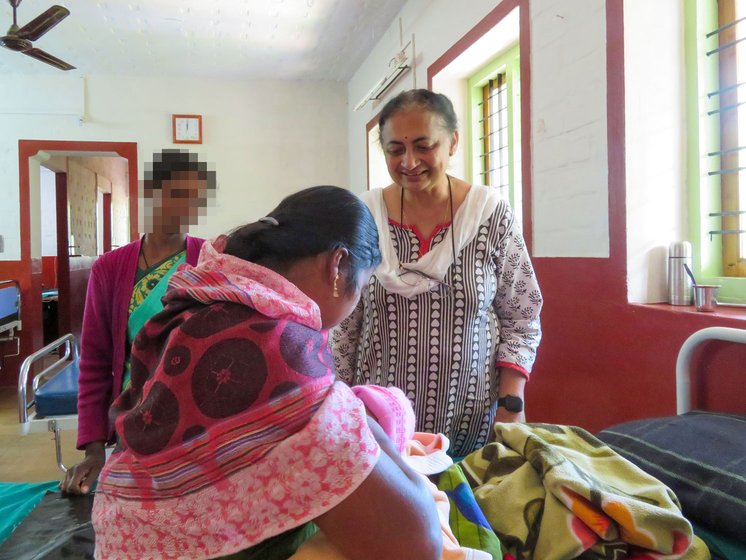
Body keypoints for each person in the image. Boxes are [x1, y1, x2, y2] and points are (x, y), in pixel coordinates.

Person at [91, 186, 442, 560]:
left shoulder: (200, 300)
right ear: (338, 266)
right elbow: (417, 545)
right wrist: (355, 414)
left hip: (118, 535)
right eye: (364, 284)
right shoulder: (282, 353)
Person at [332, 89, 543, 457]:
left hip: (471, 419)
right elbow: (345, 327)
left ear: (453, 142)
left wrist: (512, 406)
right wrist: (340, 407)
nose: (410, 162)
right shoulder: (365, 218)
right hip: (379, 424)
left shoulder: (490, 215)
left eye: (423, 146)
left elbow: (521, 316)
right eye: (395, 149)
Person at [62, 149, 216, 495]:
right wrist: (95, 448)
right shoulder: (110, 269)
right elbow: (96, 364)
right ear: (150, 193)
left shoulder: (209, 262)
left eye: (194, 198)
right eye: (176, 195)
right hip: (131, 423)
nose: (185, 208)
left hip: (194, 427)